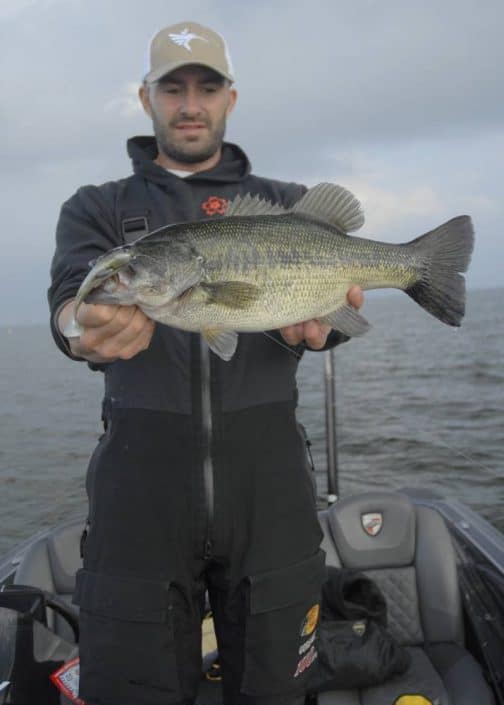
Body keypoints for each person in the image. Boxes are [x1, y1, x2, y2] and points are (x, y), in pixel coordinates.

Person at [48, 21, 364, 705]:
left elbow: (326, 314)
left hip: (272, 492)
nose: (190, 103)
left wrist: (322, 331)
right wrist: (80, 328)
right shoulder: (97, 209)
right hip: (139, 499)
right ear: (146, 98)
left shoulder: (285, 203)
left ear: (230, 98)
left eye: (206, 87)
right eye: (173, 87)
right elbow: (70, 303)